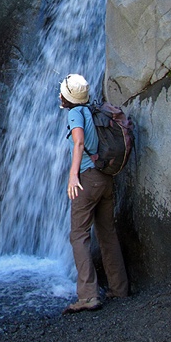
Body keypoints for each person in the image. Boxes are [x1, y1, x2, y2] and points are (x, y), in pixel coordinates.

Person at [59, 73, 128, 314]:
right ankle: (120, 288)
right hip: (106, 179)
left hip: (87, 180)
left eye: (62, 92)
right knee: (107, 232)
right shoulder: (93, 110)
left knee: (78, 234)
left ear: (67, 98)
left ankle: (88, 296)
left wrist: (72, 175)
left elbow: (78, 142)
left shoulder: (75, 113)